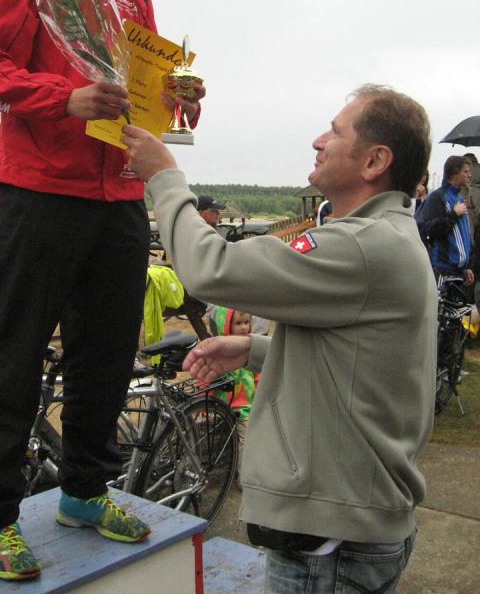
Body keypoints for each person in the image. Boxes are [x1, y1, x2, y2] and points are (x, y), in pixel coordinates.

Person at [0, 0, 203, 581]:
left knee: (106, 356)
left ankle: (85, 493)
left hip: (119, 193)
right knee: (16, 354)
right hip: (40, 188)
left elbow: (143, 95)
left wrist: (177, 98)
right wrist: (61, 98)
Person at [122, 84, 436, 594]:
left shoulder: (362, 245)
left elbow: (211, 268)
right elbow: (365, 363)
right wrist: (253, 349)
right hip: (350, 527)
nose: (318, 141)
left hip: (329, 547)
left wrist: (163, 177)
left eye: (335, 132)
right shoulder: (390, 236)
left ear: (375, 160)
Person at [210, 306, 260, 483]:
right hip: (233, 405)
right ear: (226, 325)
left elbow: (257, 374)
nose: (244, 327)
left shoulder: (249, 349)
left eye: (247, 322)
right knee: (247, 437)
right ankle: (244, 478)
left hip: (248, 403)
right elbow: (210, 379)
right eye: (238, 323)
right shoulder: (222, 352)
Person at [417, 155, 474, 287]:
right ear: (454, 174)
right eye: (465, 172)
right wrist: (453, 215)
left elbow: (464, 236)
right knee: (440, 301)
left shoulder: (458, 198)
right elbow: (426, 229)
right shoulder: (438, 197)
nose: (469, 175)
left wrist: (467, 266)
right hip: (443, 272)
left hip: (459, 273)